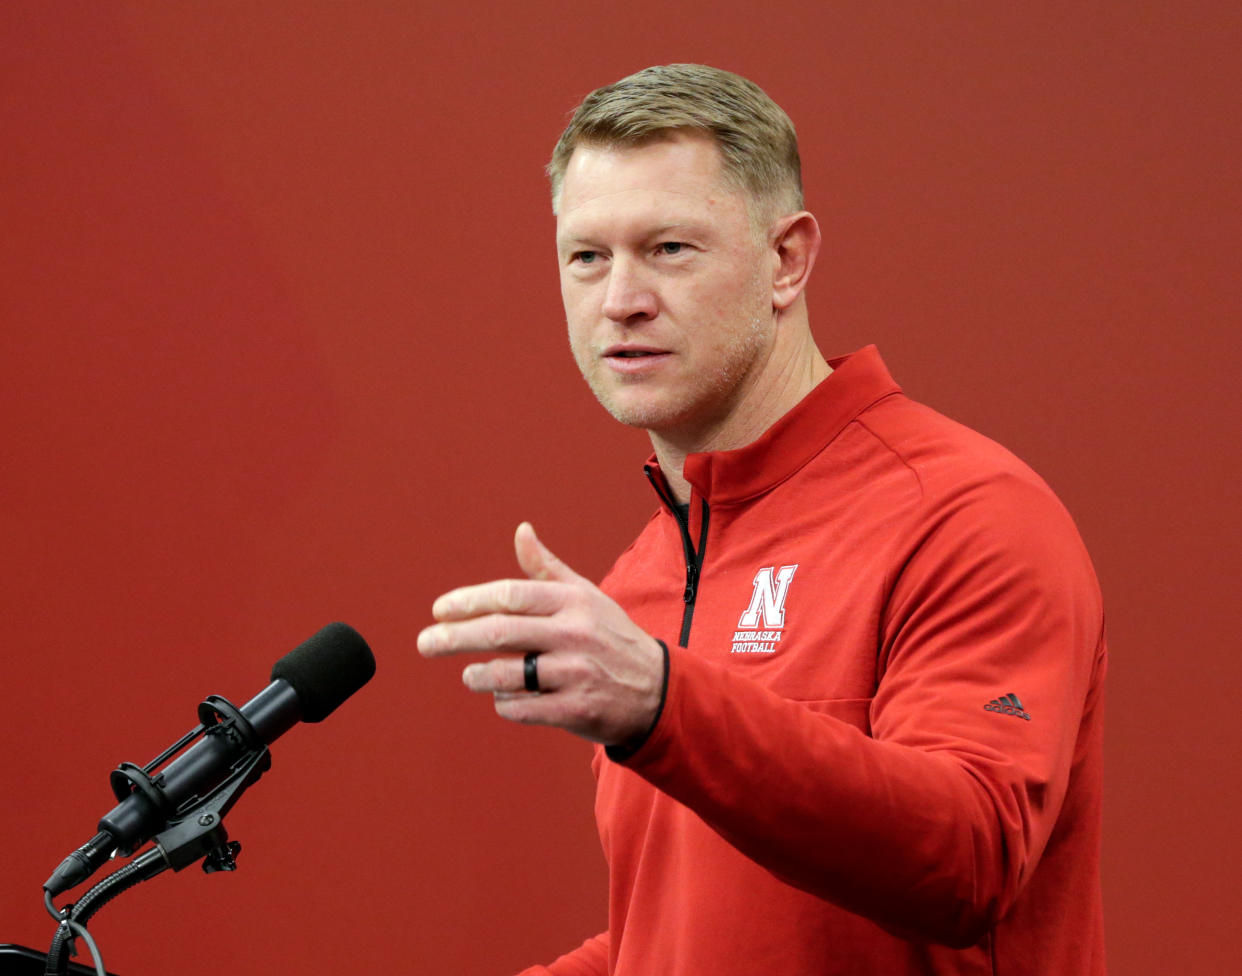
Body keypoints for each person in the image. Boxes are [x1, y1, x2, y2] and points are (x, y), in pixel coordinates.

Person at [417, 64, 1106, 975]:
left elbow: (971, 859)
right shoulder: (645, 577)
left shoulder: (968, 514)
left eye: (669, 248)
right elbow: (679, 935)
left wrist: (666, 702)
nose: (619, 297)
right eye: (587, 256)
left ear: (787, 260)